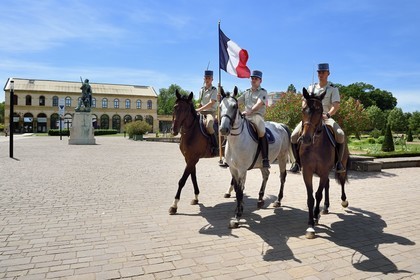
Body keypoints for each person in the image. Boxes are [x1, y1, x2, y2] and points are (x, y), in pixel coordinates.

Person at [290, 63, 346, 173]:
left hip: (325, 116)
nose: (321, 74)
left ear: (328, 73)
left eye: (323, 72)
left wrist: (328, 114)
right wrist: (305, 109)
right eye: (319, 72)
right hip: (310, 118)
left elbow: (336, 105)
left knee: (340, 134)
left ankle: (338, 162)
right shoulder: (311, 87)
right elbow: (304, 100)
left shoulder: (333, 89)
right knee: (293, 136)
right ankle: (296, 162)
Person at [237, 70, 270, 168]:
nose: (253, 80)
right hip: (245, 116)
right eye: (252, 78)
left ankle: (265, 159)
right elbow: (237, 101)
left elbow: (259, 103)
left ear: (260, 81)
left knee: (261, 130)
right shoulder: (246, 92)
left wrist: (250, 111)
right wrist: (224, 100)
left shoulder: (263, 92)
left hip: (256, 115)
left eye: (256, 79)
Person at [196, 70, 218, 156]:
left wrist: (200, 108)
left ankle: (216, 146)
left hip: (210, 112)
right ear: (203, 79)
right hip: (201, 112)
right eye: (206, 78)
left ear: (212, 79)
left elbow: (211, 103)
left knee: (209, 125)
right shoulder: (201, 90)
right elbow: (201, 102)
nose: (207, 79)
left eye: (209, 78)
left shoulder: (214, 90)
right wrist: (198, 107)